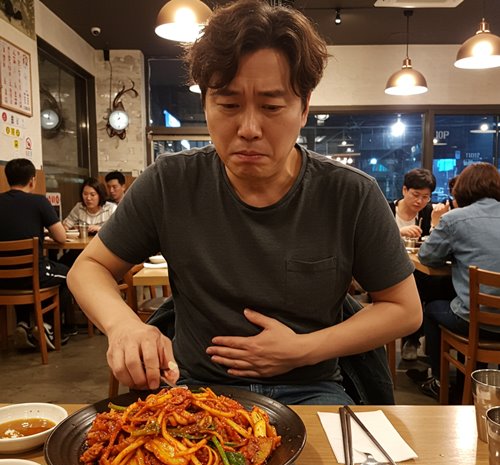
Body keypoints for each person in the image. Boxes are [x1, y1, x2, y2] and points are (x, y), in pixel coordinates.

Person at [67, 0, 421, 405]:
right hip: (198, 389)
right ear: (205, 104)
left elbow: (404, 309)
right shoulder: (171, 182)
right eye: (229, 105)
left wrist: (302, 349)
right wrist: (124, 325)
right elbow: (88, 268)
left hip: (311, 388)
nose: (249, 128)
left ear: (304, 107)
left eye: (271, 106)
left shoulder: (350, 193)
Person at [417, 162, 500, 400]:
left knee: (433, 309)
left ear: (463, 188)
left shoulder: (455, 219)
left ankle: (439, 381)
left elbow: (427, 256)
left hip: (476, 322)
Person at [0, 158, 76, 349]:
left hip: (3, 279)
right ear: (32, 180)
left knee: (21, 272)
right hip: (34, 275)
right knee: (71, 276)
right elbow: (61, 237)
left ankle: (23, 324)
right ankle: (46, 327)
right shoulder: (38, 201)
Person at [388, 168, 452, 361]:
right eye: (415, 195)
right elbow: (372, 240)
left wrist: (435, 224)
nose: (420, 201)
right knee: (416, 283)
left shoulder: (429, 212)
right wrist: (398, 232)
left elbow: (434, 248)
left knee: (441, 285)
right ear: (404, 190)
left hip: (419, 269)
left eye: (425, 197)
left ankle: (430, 344)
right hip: (389, 269)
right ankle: (414, 339)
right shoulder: (387, 210)